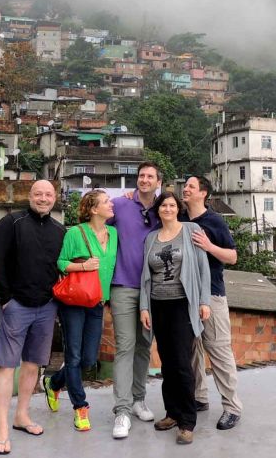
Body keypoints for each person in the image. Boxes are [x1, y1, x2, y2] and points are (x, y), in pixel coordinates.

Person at [0, 180, 66, 455]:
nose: (43, 199)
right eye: (38, 194)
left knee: (33, 365)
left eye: (48, 195)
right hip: (16, 306)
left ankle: (21, 415)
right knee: (7, 366)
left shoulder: (59, 230)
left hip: (46, 306)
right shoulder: (11, 223)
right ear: (29, 196)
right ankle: (2, 430)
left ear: (54, 198)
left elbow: (63, 267)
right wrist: (4, 300)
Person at [139, 191, 211, 445]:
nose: (167, 209)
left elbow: (203, 267)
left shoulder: (191, 230)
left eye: (172, 205)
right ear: (157, 210)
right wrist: (144, 307)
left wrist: (204, 301)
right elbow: (145, 276)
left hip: (183, 304)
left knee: (182, 362)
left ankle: (187, 421)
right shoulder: (150, 239)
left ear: (177, 208)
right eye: (163, 205)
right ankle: (171, 412)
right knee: (167, 363)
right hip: (158, 304)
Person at [44, 190, 118, 432]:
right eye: (106, 202)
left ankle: (54, 383)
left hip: (97, 302)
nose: (111, 204)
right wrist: (83, 266)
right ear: (94, 209)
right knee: (73, 357)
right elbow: (61, 263)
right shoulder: (75, 233)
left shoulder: (113, 233)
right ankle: (80, 407)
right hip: (74, 303)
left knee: (88, 359)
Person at [181, 176, 243, 430]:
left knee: (218, 350)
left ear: (203, 193)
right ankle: (200, 397)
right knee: (192, 351)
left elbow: (232, 257)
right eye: (184, 186)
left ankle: (232, 407)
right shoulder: (181, 221)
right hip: (185, 295)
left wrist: (208, 245)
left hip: (212, 295)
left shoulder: (214, 221)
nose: (185, 189)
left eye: (191, 187)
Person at [107, 162, 162, 439]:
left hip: (152, 290)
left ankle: (139, 398)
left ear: (158, 182)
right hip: (123, 286)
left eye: (150, 176)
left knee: (144, 346)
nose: (144, 180)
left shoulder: (162, 210)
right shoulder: (119, 204)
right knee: (125, 346)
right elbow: (94, 219)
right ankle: (122, 410)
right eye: (141, 176)